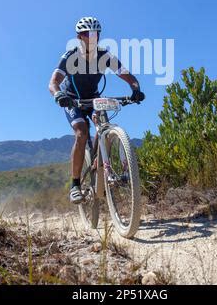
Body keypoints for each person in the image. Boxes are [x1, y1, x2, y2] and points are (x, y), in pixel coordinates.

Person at [48, 16, 145, 204]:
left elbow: (128, 76)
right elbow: (53, 83)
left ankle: (98, 160)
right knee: (81, 132)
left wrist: (135, 89)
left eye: (95, 34)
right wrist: (59, 95)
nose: (91, 37)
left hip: (93, 99)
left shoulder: (104, 56)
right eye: (87, 34)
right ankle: (75, 185)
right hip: (72, 100)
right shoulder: (70, 57)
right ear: (79, 37)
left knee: (104, 125)